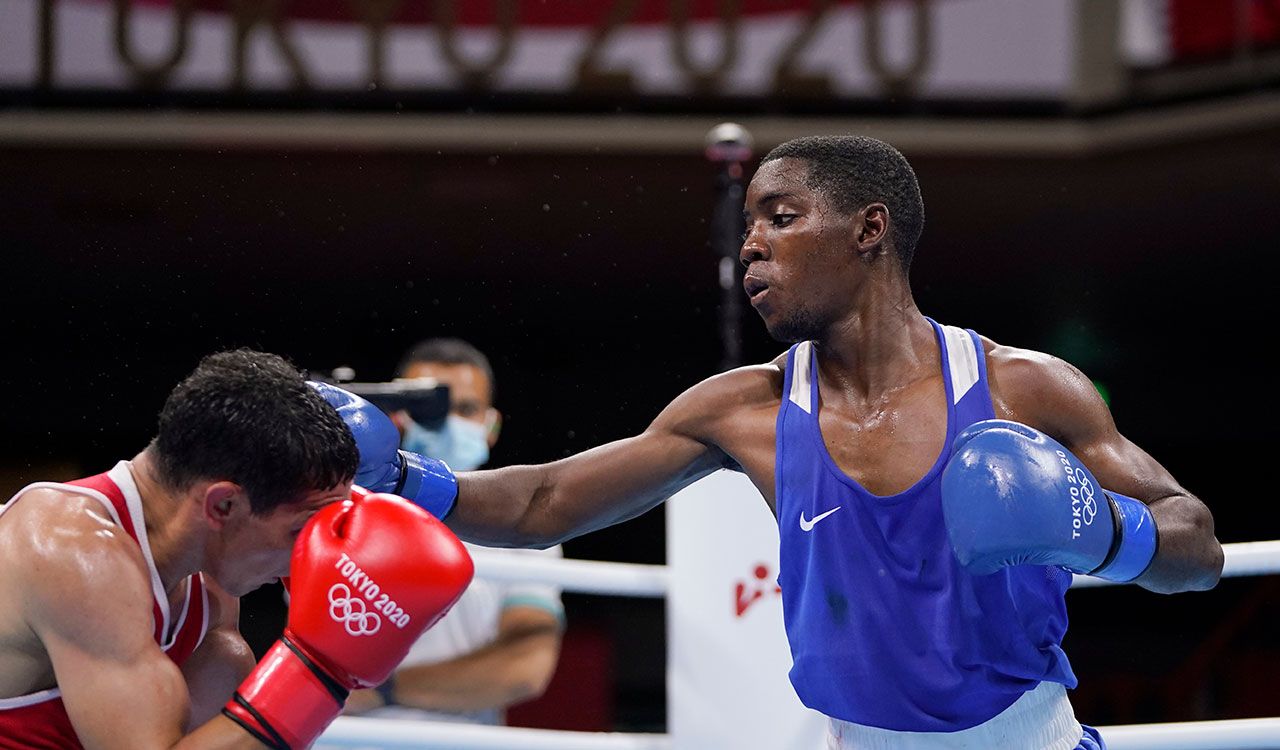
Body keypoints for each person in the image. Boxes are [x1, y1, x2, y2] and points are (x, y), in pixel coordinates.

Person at [320, 136, 1224, 748]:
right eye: (747, 223)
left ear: (870, 230)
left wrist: (1108, 531)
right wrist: (397, 474)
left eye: (780, 219)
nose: (750, 247)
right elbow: (546, 501)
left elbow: (1198, 546)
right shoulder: (740, 410)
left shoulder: (1020, 387)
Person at [0, 349, 473, 750]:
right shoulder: (73, 554)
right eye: (301, 528)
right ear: (223, 503)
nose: (306, 555)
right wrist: (319, 670)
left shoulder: (208, 581)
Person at [343, 338, 564, 725]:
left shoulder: (525, 531)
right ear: (397, 417)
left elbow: (526, 667)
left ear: (490, 425)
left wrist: (381, 689)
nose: (446, 422)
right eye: (428, 407)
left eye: (464, 408)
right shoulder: (340, 508)